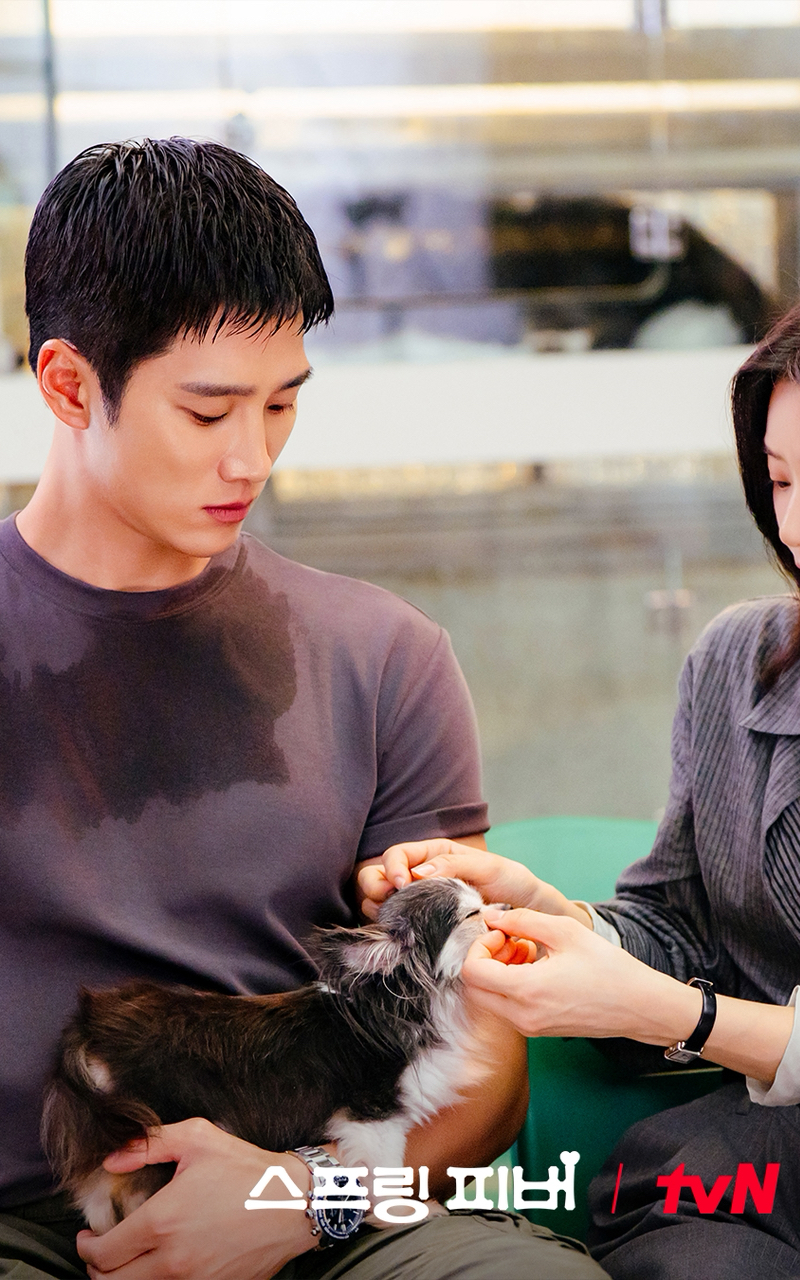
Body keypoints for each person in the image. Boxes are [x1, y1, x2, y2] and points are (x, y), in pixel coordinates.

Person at [0, 137, 606, 1280]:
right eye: (209, 411)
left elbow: (481, 1061)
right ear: (69, 385)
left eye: (282, 403)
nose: (255, 455)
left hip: (312, 1203)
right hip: (30, 1214)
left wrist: (307, 1198)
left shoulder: (383, 655)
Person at [364, 267, 800, 1276]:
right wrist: (553, 918)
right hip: (756, 1201)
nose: (796, 527)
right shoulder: (742, 667)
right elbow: (683, 933)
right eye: (779, 480)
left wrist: (681, 1016)